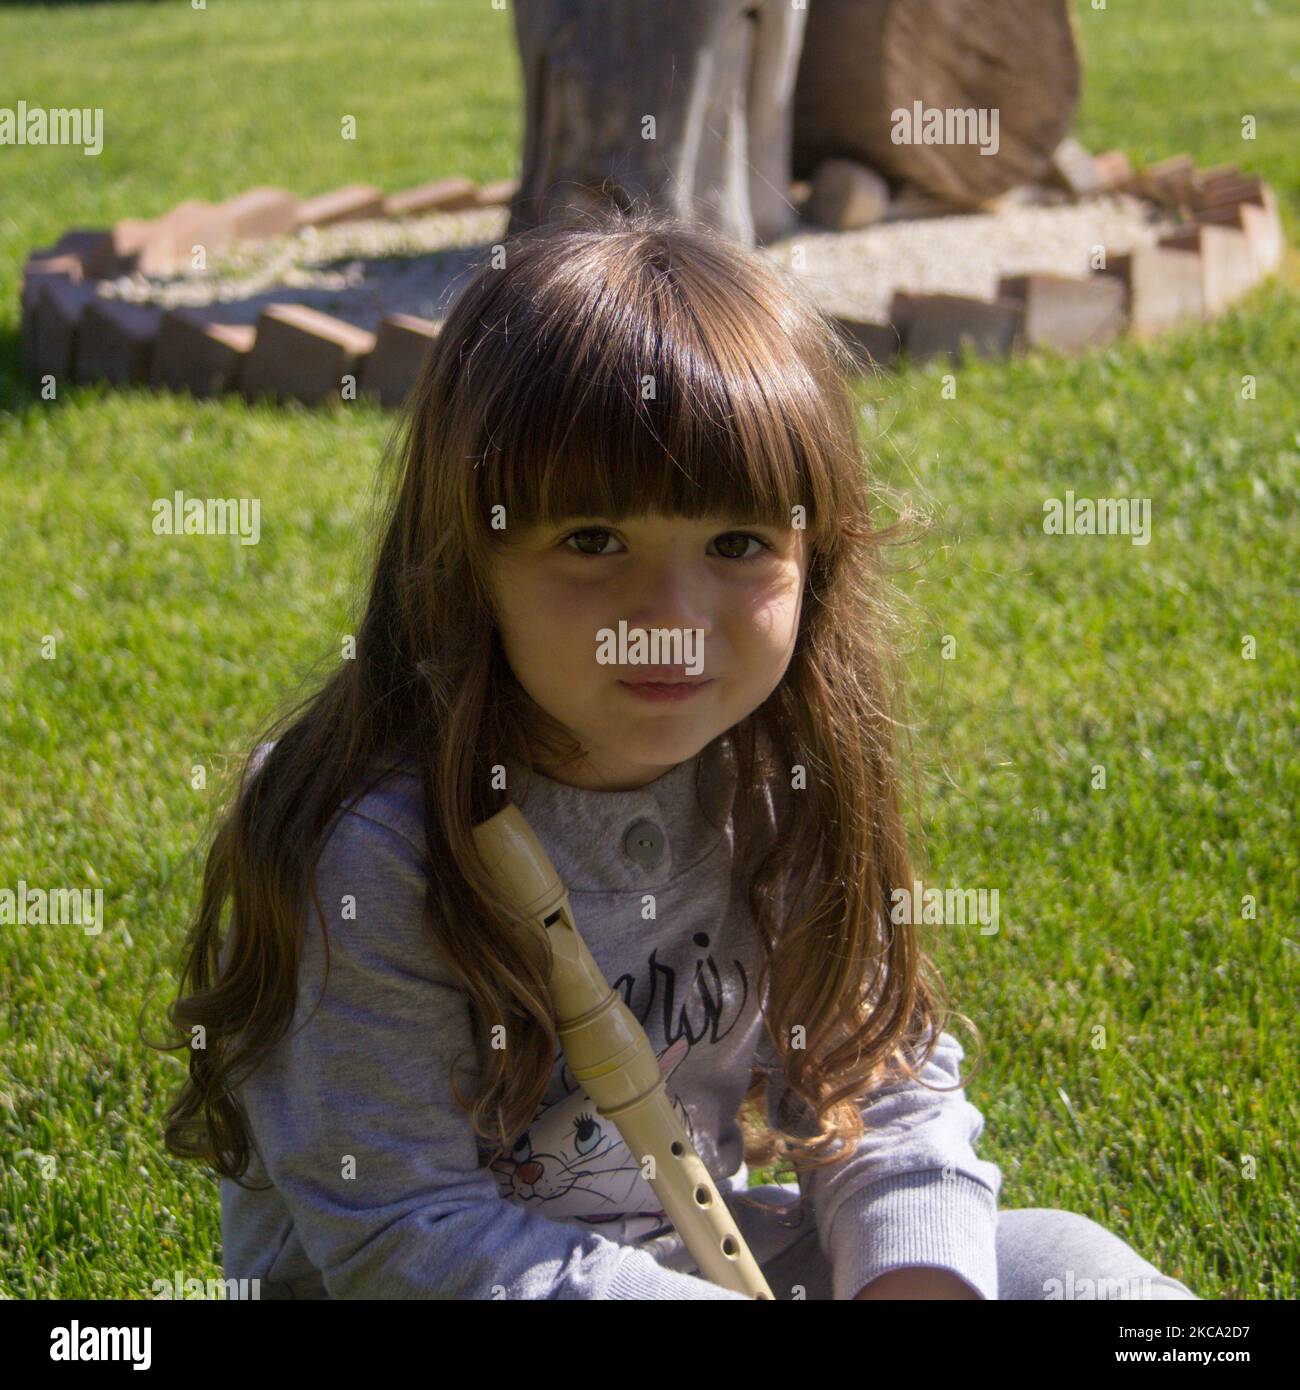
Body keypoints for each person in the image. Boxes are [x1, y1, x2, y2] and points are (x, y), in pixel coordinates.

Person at [158, 205, 1199, 1301]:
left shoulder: (775, 779)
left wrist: (915, 1276)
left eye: (737, 544)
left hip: (692, 1261)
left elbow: (879, 1085)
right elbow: (406, 1235)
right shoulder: (371, 849)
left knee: (1066, 1267)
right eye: (593, 541)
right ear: (467, 556)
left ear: (818, 562)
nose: (669, 614)